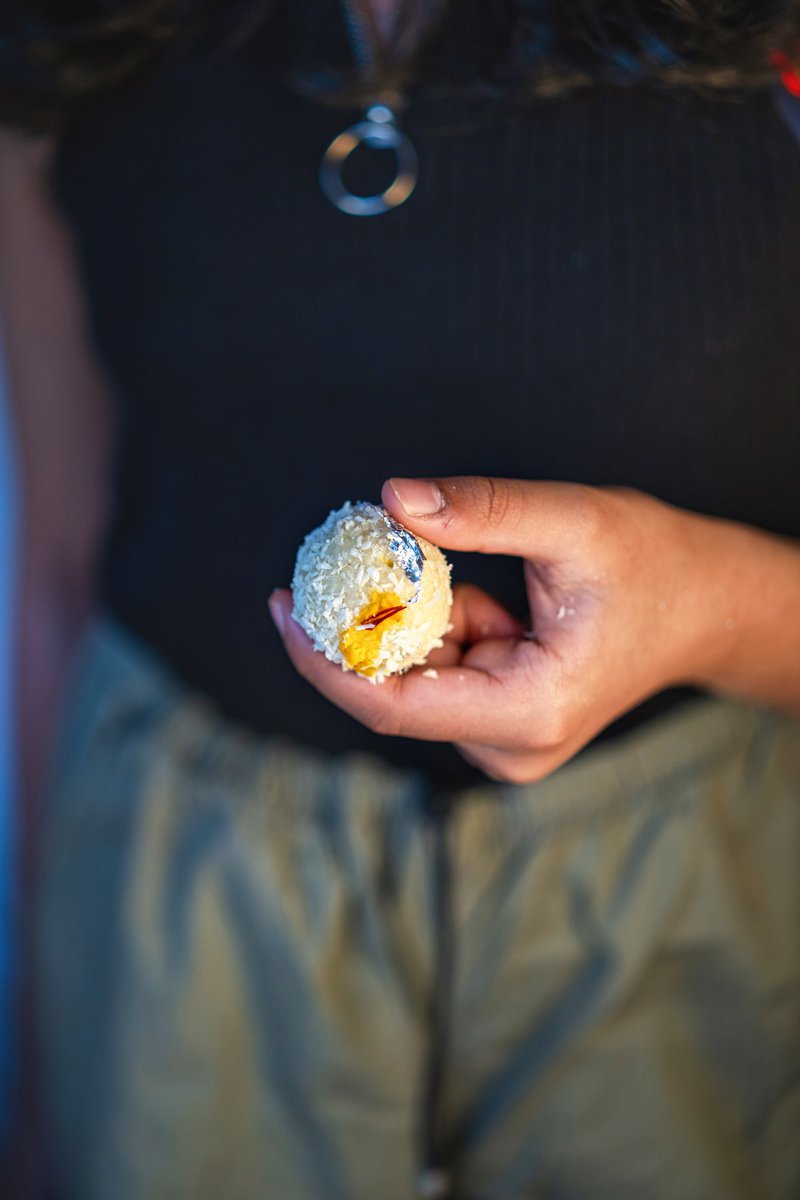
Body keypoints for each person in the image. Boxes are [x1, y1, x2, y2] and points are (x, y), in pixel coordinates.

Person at [1, 1, 799, 1197]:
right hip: (184, 921)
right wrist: (51, 1014)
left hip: (686, 924)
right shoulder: (71, 32)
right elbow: (66, 562)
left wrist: (709, 609)